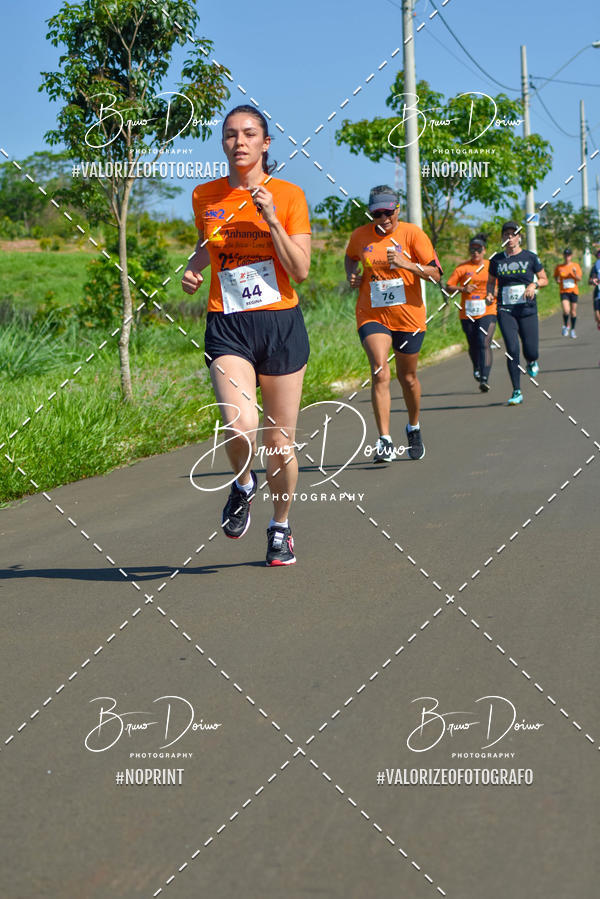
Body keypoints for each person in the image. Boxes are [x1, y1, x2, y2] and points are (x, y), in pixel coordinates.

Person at [181, 105, 311, 566]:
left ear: (265, 143)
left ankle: (280, 526)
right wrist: (194, 271)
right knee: (239, 425)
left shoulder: (290, 196)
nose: (240, 142)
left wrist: (272, 219)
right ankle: (242, 482)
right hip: (228, 323)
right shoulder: (205, 196)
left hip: (280, 324)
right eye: (231, 134)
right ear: (223, 143)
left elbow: (301, 270)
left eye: (249, 134)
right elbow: (207, 247)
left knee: (279, 442)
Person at [345, 185, 442, 462]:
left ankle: (413, 426)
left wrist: (406, 264)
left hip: (408, 317)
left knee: (408, 378)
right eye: (377, 214)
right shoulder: (360, 236)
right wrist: (352, 275)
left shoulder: (413, 234)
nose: (384, 218)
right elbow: (350, 258)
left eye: (388, 212)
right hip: (372, 313)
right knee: (379, 370)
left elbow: (436, 274)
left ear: (397, 208)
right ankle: (384, 440)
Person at [486, 221, 548, 406]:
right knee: (512, 349)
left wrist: (533, 284)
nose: (510, 238)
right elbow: (491, 282)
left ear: (520, 237)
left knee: (531, 350)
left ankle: (532, 361)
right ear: (502, 238)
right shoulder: (496, 260)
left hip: (527, 309)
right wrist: (489, 294)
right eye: (506, 235)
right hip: (506, 310)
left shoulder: (530, 257)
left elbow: (544, 279)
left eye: (513, 235)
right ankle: (516, 391)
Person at [446, 233, 497, 392]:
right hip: (467, 312)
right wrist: (462, 288)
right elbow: (448, 287)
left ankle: (484, 377)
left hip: (488, 309)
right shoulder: (463, 268)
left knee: (484, 341)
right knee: (473, 343)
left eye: (478, 249)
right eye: (472, 249)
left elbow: (500, 285)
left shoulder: (491, 266)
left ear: (484, 250)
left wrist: (493, 293)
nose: (475, 252)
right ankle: (476, 366)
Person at [554, 248, 582, 338]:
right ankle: (566, 325)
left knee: (573, 312)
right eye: (565, 255)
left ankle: (573, 330)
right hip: (564, 291)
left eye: (569, 255)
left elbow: (579, 278)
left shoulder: (575, 266)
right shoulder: (559, 267)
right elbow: (556, 278)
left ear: (571, 256)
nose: (567, 257)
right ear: (563, 256)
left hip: (573, 291)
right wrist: (557, 279)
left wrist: (574, 273)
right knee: (566, 310)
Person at [589, 248, 600, 330]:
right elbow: (590, 280)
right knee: (598, 316)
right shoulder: (595, 266)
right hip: (598, 293)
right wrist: (593, 280)